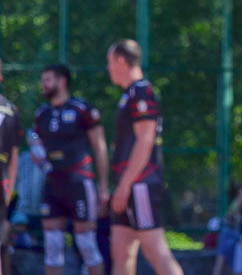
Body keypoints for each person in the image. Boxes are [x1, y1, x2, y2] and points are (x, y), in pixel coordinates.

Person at [106, 39, 183, 275]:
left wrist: (125, 185)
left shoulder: (141, 91)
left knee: (156, 251)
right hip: (128, 186)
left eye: (109, 62)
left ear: (120, 61)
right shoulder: (129, 94)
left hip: (140, 185)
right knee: (121, 252)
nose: (108, 68)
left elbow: (146, 139)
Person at [34, 63, 109, 275]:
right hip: (52, 185)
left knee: (86, 243)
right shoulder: (41, 114)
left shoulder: (82, 109)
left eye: (48, 80)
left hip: (79, 183)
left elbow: (100, 148)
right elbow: (33, 140)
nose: (44, 85)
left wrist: (103, 188)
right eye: (43, 80)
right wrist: (39, 158)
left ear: (62, 81)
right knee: (53, 246)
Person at [0, 57, 22, 275]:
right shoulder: (11, 108)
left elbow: (14, 155)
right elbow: (14, 157)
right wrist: (8, 188)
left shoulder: (10, 110)